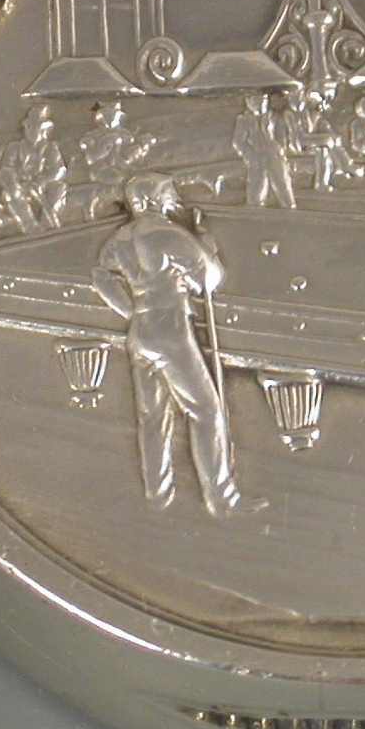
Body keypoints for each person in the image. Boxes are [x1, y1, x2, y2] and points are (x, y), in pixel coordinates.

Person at [92, 174, 262, 517]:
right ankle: (221, 499)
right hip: (170, 329)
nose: (172, 198)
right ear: (153, 199)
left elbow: (101, 275)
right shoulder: (168, 235)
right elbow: (209, 280)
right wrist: (204, 240)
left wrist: (131, 310)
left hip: (140, 331)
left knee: (152, 416)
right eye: (168, 193)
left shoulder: (120, 239)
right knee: (206, 411)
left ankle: (156, 497)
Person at [0, 105, 70, 235]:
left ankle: (47, 224)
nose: (31, 130)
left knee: (59, 187)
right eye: (29, 127)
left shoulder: (50, 148)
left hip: (41, 186)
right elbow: (5, 170)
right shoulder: (14, 147)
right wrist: (16, 182)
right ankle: (29, 225)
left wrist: (41, 182)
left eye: (36, 127)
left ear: (43, 130)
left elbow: (58, 169)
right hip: (20, 185)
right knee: (10, 193)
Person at [232, 93, 296, 208]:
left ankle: (288, 204)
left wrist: (280, 149)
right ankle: (254, 206)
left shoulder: (272, 117)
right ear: (249, 102)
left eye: (264, 100)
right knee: (257, 182)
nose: (261, 103)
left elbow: (281, 134)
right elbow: (238, 141)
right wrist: (250, 155)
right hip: (256, 155)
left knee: (281, 180)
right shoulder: (244, 120)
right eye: (257, 100)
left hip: (273, 153)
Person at [286, 89, 355, 192]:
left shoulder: (311, 114)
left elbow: (322, 128)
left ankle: (325, 181)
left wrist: (324, 127)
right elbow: (297, 135)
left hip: (310, 144)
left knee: (326, 147)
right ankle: (346, 168)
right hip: (296, 143)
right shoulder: (290, 114)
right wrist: (324, 138)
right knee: (328, 142)